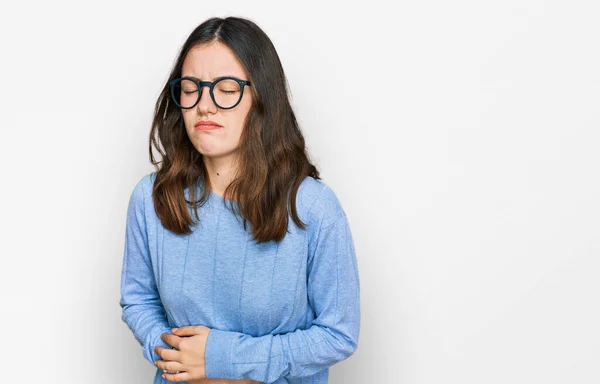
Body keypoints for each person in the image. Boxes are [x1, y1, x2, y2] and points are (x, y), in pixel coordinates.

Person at [119, 16, 360, 384]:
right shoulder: (150, 199)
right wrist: (173, 355)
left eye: (226, 88)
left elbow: (338, 334)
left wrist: (221, 358)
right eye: (190, 87)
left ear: (262, 97)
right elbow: (138, 301)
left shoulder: (314, 207)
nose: (205, 105)